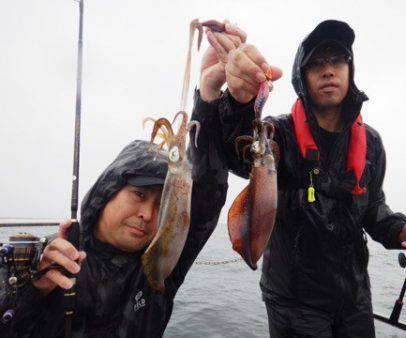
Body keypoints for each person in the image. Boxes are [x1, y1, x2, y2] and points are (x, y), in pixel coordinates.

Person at [0, 23, 246, 338]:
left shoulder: (160, 268)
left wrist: (210, 96)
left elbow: (206, 197)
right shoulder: (48, 265)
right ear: (107, 193)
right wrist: (32, 290)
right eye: (139, 195)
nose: (148, 214)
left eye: (161, 204)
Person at [200, 20, 406, 337]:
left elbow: (372, 209)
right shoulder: (277, 133)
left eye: (337, 61)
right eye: (316, 64)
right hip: (294, 303)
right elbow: (238, 153)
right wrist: (239, 102)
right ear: (302, 75)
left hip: (354, 299)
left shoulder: (371, 143)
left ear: (349, 70)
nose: (328, 71)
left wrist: (402, 230)